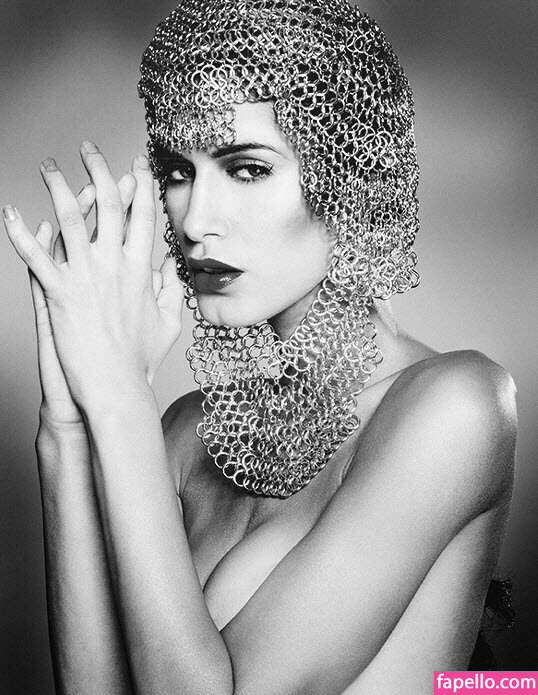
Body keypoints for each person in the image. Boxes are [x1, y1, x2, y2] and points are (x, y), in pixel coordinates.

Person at [3, 0, 517, 693]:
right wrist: (67, 424)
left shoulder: (457, 406)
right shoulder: (184, 434)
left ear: (354, 180)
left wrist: (121, 396)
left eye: (246, 168)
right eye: (178, 171)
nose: (195, 220)